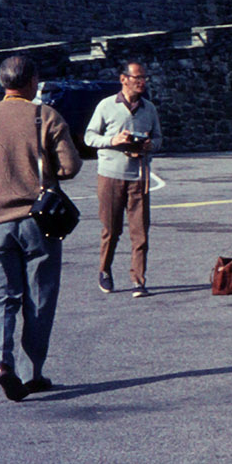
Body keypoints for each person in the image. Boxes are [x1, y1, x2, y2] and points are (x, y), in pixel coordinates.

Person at [0, 55, 81, 401]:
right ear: (32, 82)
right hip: (38, 220)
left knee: (2, 297)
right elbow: (71, 167)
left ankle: (2, 362)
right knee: (39, 295)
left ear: (3, 83)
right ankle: (33, 373)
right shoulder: (46, 116)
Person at [84, 61, 162, 297]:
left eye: (144, 78)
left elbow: (158, 138)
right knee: (111, 229)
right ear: (123, 79)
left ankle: (138, 280)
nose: (142, 82)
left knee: (140, 232)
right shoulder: (106, 106)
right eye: (138, 77)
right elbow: (89, 137)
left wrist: (150, 144)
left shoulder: (149, 109)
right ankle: (104, 271)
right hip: (111, 175)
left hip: (139, 175)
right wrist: (113, 141)